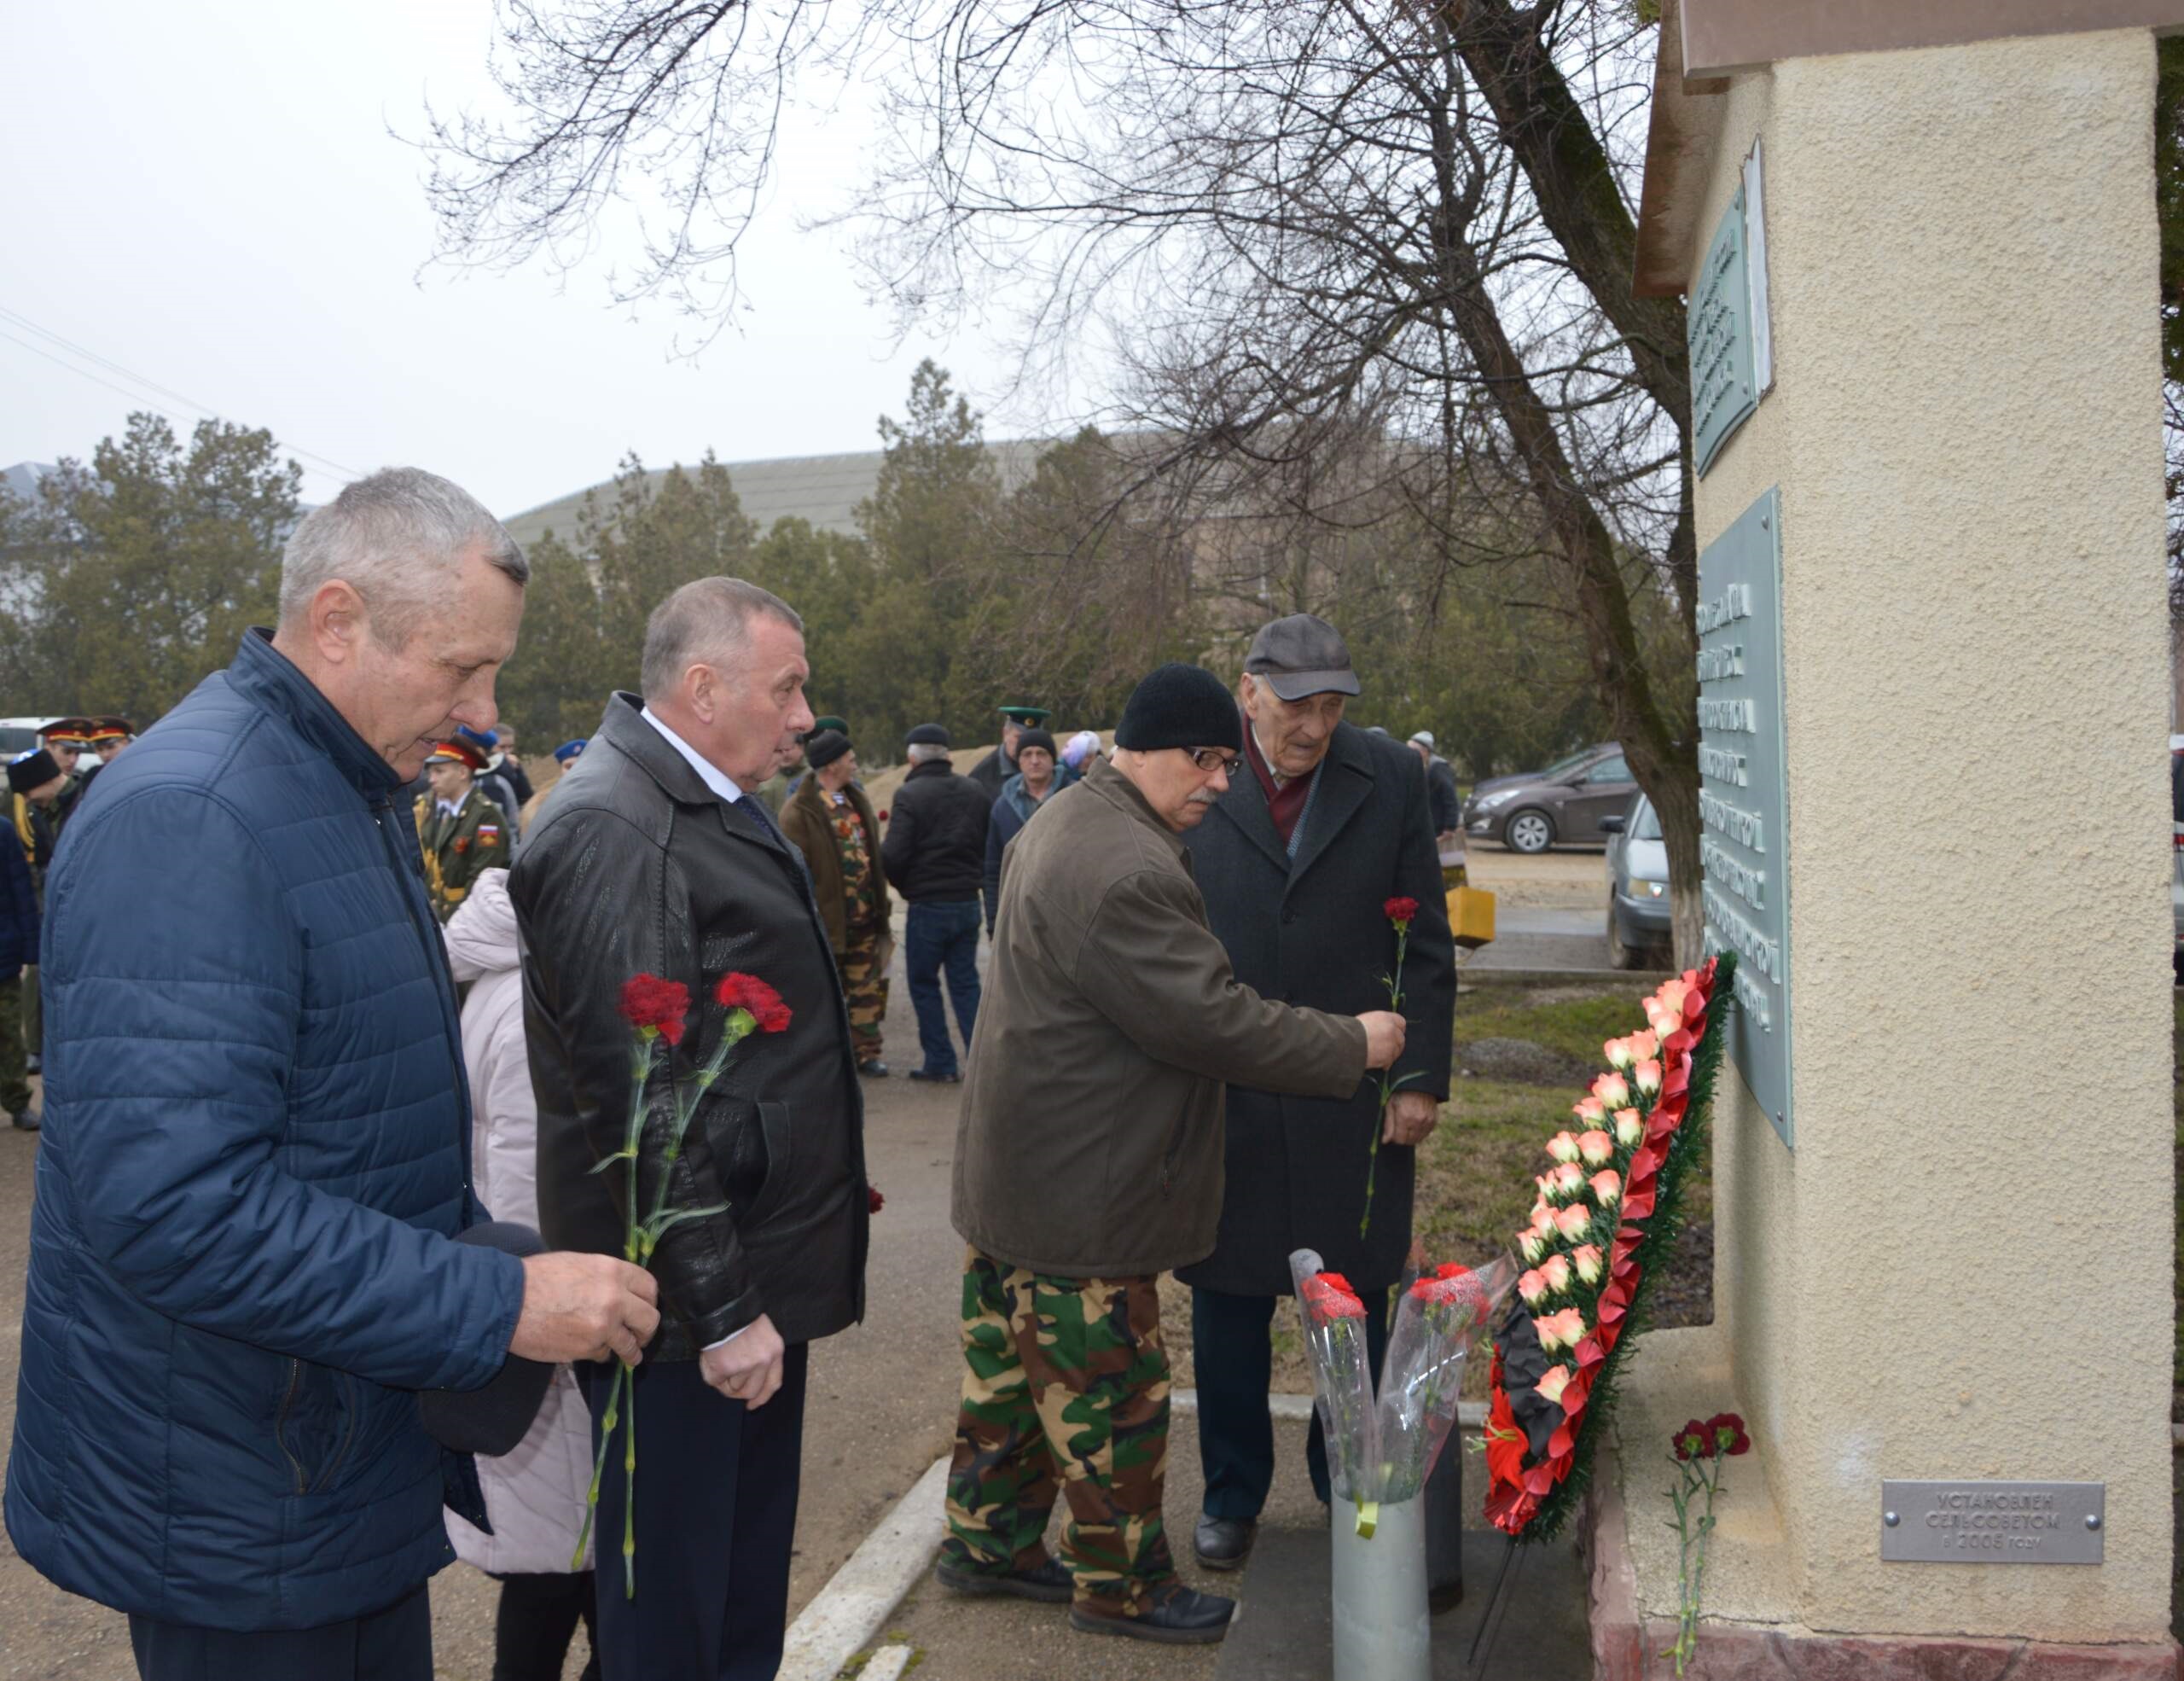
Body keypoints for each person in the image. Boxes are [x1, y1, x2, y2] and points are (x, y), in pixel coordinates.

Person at [4, 466, 661, 1681]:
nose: (482, 708)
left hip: (323, 1460)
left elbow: (351, 1128)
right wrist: (494, 1304)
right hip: (238, 1494)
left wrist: (501, 1252)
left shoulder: (333, 788)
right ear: (340, 620)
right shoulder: (197, 815)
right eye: (461, 667)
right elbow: (176, 1208)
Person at [942, 661, 1409, 1645]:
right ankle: (1123, 1588)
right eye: (1204, 761)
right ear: (1145, 748)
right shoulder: (1125, 867)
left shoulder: (1064, 819)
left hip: (1016, 1174)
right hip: (1082, 1190)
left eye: (1225, 763)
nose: (1220, 782)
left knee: (1009, 1382)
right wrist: (1352, 1043)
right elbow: (1214, 1021)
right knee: (1110, 1394)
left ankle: (989, 1543)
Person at [513, 575, 868, 1681]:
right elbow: (638, 1092)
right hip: (685, 1312)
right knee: (674, 1608)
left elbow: (736, 1051)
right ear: (704, 687)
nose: (806, 716)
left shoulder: (698, 795)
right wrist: (719, 1312)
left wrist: (814, 1163)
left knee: (736, 1588)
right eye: (788, 687)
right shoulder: (619, 824)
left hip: (740, 1268)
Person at [1178, 615, 1456, 1573]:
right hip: (1231, 1086)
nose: (1315, 725)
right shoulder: (1193, 777)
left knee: (1353, 1302)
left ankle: (1345, 1478)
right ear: (1247, 689)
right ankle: (1229, 1494)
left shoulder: (1389, 777)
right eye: (1297, 704)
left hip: (1354, 1090)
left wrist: (1418, 1081)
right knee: (1225, 1306)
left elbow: (1424, 939)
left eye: (1332, 705)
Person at [440, 866, 601, 1681]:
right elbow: (520, 1183)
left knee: (566, 1564)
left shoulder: (514, 977)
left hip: (538, 1307)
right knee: (567, 1565)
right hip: (553, 1318)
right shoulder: (532, 1003)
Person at [779, 727, 895, 1078]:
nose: (855, 764)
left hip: (865, 919)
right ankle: (826, 1059)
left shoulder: (856, 800)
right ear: (831, 765)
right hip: (828, 923)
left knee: (867, 990)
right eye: (850, 758)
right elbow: (794, 874)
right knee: (825, 996)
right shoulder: (798, 812)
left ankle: (866, 1052)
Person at [881, 723, 990, 1083]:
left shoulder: (909, 796)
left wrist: (908, 886)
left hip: (928, 905)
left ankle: (940, 1062)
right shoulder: (976, 791)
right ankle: (981, 1061)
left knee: (924, 983)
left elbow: (893, 856)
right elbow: (986, 844)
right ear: (946, 755)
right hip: (966, 902)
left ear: (912, 758)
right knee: (965, 983)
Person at [0, 752, 48, 1131]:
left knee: (7, 1033)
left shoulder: (3, 832)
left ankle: (17, 1101)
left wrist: (30, 947)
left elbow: (22, 889)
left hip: (2, 954)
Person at [416, 735, 511, 921]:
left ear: (462, 773)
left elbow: (482, 879)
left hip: (466, 918)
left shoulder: (486, 817)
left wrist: (451, 918)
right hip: (437, 913)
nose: (431, 779)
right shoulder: (433, 807)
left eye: (439, 771)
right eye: (430, 772)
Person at [980, 725, 1060, 934]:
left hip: (1066, 915)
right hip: (1018, 918)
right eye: (1027, 754)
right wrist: (994, 922)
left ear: (1053, 758)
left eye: (1041, 753)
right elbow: (993, 869)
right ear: (1019, 761)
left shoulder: (1075, 798)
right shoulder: (1003, 807)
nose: (1034, 760)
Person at [966, 703, 1051, 803]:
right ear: (1005, 734)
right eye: (1019, 738)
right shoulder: (982, 777)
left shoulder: (1052, 768)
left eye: (1034, 739)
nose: (1026, 744)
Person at [1409, 730, 1462, 851]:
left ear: (1424, 751)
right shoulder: (1424, 766)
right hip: (1430, 825)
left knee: (1449, 864)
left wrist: (1450, 826)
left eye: (1413, 750)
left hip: (1439, 827)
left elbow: (1450, 796)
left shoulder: (1437, 768)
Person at [491, 724, 536, 806]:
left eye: (511, 746)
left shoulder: (514, 766)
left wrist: (518, 771)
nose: (507, 751)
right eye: (502, 747)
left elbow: (527, 798)